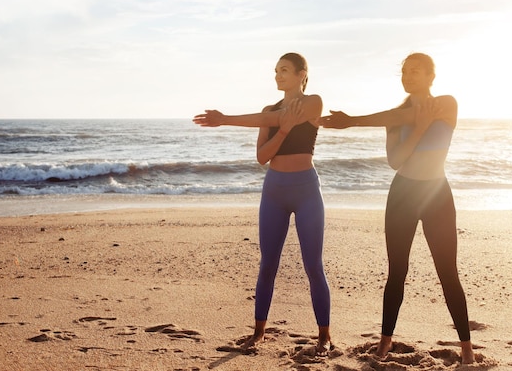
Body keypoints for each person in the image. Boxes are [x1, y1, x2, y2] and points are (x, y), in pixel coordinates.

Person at [320, 52, 475, 364]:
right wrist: (417, 127)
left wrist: (353, 121)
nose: (408, 76)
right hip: (403, 193)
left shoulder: (447, 103)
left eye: (415, 71)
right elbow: (396, 161)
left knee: (448, 272)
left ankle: (467, 348)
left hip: (437, 195)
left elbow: (403, 117)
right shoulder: (394, 117)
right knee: (397, 272)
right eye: (405, 72)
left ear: (432, 76)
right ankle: (385, 341)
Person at [193, 52, 333, 354]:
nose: (278, 75)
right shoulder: (269, 110)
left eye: (284, 70)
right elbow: (261, 156)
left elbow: (275, 118)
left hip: (306, 189)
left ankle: (324, 335)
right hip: (275, 191)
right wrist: (283, 129)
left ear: (301, 74)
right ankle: (259, 332)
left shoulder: (314, 102)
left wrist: (226, 119)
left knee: (313, 265)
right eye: (276, 71)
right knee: (268, 264)